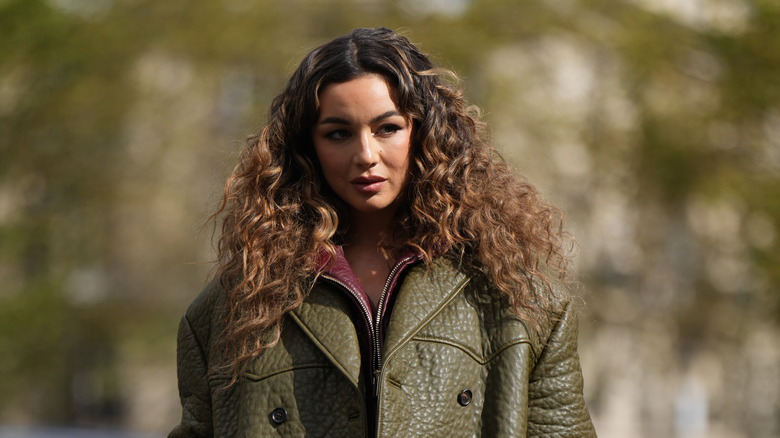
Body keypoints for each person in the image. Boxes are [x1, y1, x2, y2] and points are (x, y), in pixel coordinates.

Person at [169, 27, 596, 437]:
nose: (365, 155)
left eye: (387, 128)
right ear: (307, 147)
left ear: (424, 132)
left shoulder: (524, 305)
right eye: (338, 133)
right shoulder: (233, 310)